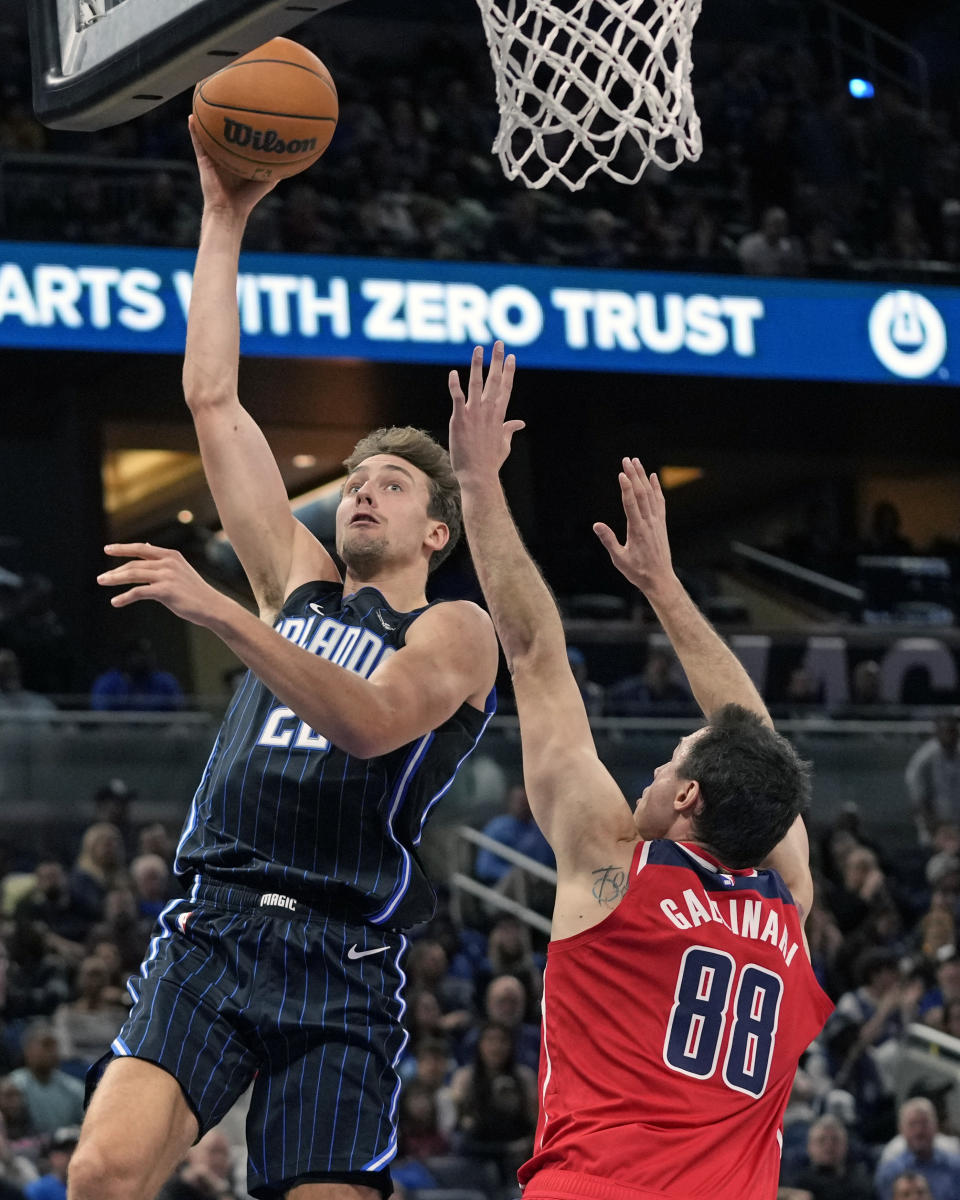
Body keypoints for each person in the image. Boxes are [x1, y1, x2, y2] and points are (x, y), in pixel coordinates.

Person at [67, 123, 499, 1200]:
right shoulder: (297, 583)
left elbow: (369, 723)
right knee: (102, 1174)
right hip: (215, 924)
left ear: (437, 532)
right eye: (356, 478)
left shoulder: (454, 632)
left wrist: (220, 612)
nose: (362, 489)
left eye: (392, 484)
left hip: (344, 957)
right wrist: (224, 216)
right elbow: (214, 400)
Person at [446, 343, 833, 1200]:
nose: (651, 773)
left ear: (689, 797)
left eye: (669, 762)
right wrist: (662, 585)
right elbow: (755, 747)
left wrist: (476, 483)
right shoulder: (785, 908)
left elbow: (536, 654)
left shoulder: (614, 867)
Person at [875, 1097, 960, 1200]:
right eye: (912, 1124)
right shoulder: (889, 1172)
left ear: (936, 1126)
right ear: (901, 1129)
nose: (919, 1131)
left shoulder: (955, 1166)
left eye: (924, 1123)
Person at [89, 638, 184, 712]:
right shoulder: (108, 682)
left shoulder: (165, 681)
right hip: (120, 733)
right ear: (127, 657)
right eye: (139, 655)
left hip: (159, 732)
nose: (144, 659)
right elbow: (101, 715)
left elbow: (178, 711)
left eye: (148, 654)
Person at [906, 716, 960, 842]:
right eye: (946, 731)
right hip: (934, 825)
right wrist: (935, 828)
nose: (950, 736)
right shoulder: (924, 760)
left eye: (953, 731)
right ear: (937, 732)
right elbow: (918, 799)